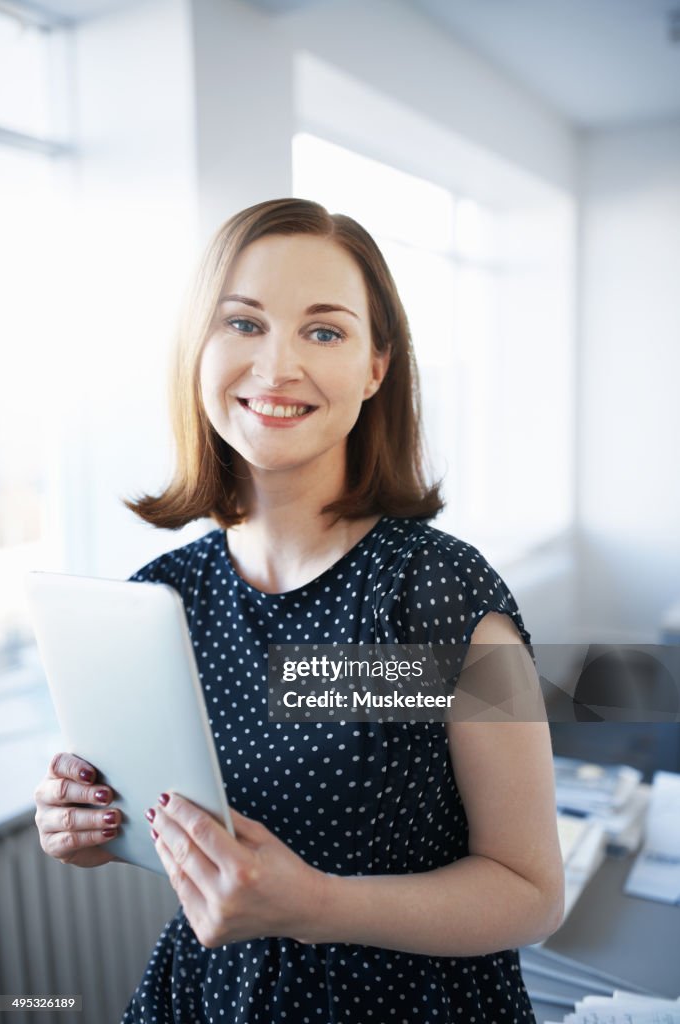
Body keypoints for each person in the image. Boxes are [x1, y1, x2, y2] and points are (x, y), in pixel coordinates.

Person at [34, 198, 564, 1023]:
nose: (277, 366)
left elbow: (529, 892)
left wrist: (315, 904)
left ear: (375, 368)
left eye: (324, 332)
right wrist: (93, 830)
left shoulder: (434, 596)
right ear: (197, 350)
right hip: (212, 997)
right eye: (242, 324)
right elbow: (164, 821)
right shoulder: (157, 602)